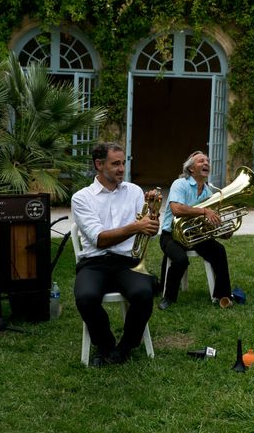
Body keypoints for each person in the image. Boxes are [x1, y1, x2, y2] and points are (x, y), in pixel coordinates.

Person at [72, 142, 159, 367]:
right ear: (99, 165)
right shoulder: (81, 198)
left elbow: (148, 232)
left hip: (127, 261)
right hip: (94, 263)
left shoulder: (134, 191)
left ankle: (125, 347)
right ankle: (106, 345)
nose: (122, 168)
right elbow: (99, 239)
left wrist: (152, 220)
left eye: (123, 163)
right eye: (116, 164)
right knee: (86, 297)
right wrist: (135, 227)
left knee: (143, 294)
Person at [158, 151, 232, 310]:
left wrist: (222, 230)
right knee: (180, 260)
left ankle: (223, 295)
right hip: (171, 235)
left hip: (194, 235)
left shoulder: (208, 191)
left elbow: (207, 222)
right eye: (201, 161)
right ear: (191, 169)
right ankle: (168, 297)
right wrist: (204, 211)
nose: (206, 163)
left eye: (207, 161)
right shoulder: (180, 184)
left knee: (219, 250)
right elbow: (176, 209)